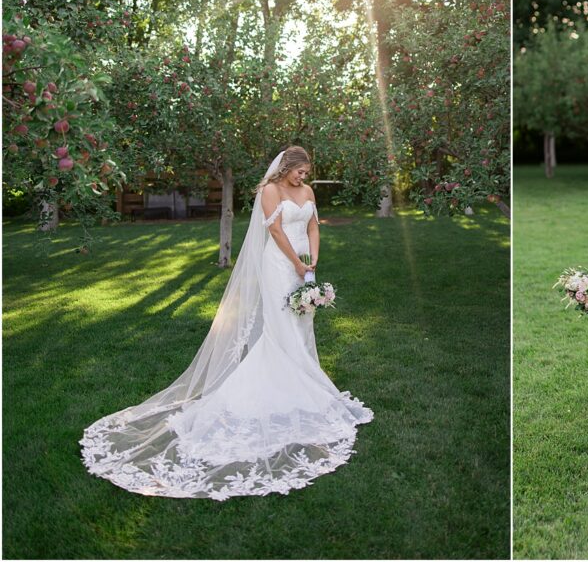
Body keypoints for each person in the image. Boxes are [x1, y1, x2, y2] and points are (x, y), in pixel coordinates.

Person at [81, 146, 373, 500]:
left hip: (304, 266)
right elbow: (277, 233)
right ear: (286, 169)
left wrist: (313, 259)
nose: (303, 178)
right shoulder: (270, 191)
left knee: (301, 324)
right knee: (281, 327)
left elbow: (313, 225)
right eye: (300, 172)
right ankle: (284, 388)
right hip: (281, 265)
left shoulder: (308, 192)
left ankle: (302, 381)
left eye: (306, 173)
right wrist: (296, 263)